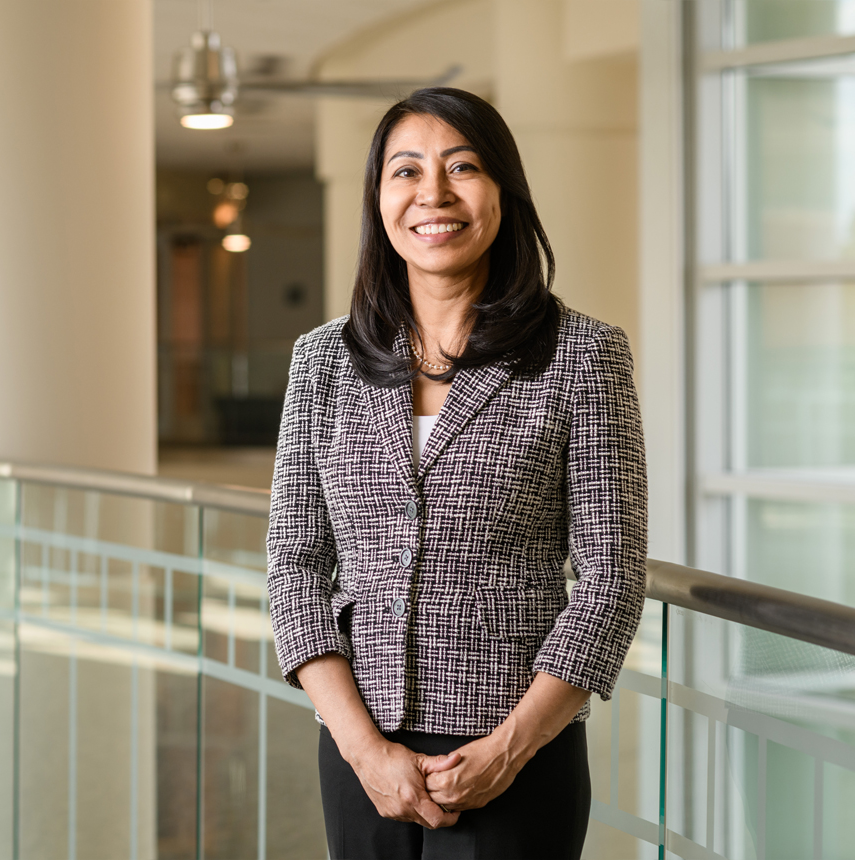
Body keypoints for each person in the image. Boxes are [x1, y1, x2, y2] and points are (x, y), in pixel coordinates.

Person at [266, 87, 647, 859]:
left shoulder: (583, 355)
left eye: (462, 167)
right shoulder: (322, 362)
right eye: (405, 172)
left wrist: (509, 748)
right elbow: (294, 564)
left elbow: (611, 576)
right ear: (379, 201)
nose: (432, 193)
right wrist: (363, 749)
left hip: (516, 756)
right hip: (358, 754)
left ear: (503, 191)